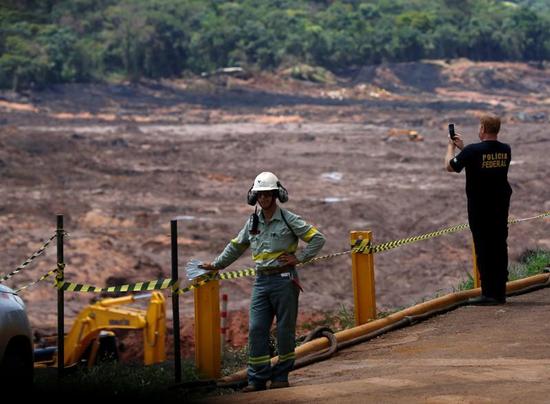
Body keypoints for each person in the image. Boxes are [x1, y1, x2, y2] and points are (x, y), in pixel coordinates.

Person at [201, 171, 325, 392]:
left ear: (276, 195)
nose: (264, 199)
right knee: (257, 329)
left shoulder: (288, 219)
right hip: (261, 282)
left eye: (268, 194)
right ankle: (257, 380)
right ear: (254, 197)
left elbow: (317, 238)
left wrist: (300, 258)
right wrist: (217, 264)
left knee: (284, 331)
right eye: (260, 195)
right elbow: (236, 246)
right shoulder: (252, 222)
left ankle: (281, 377)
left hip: (285, 282)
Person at [444, 115, 512, 305]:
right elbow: (484, 163)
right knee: (499, 246)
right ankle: (499, 292)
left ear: (482, 128)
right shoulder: (505, 149)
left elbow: (450, 167)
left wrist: (451, 147)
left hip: (481, 208)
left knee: (484, 248)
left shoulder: (473, 151)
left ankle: (489, 294)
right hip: (500, 207)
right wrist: (464, 149)